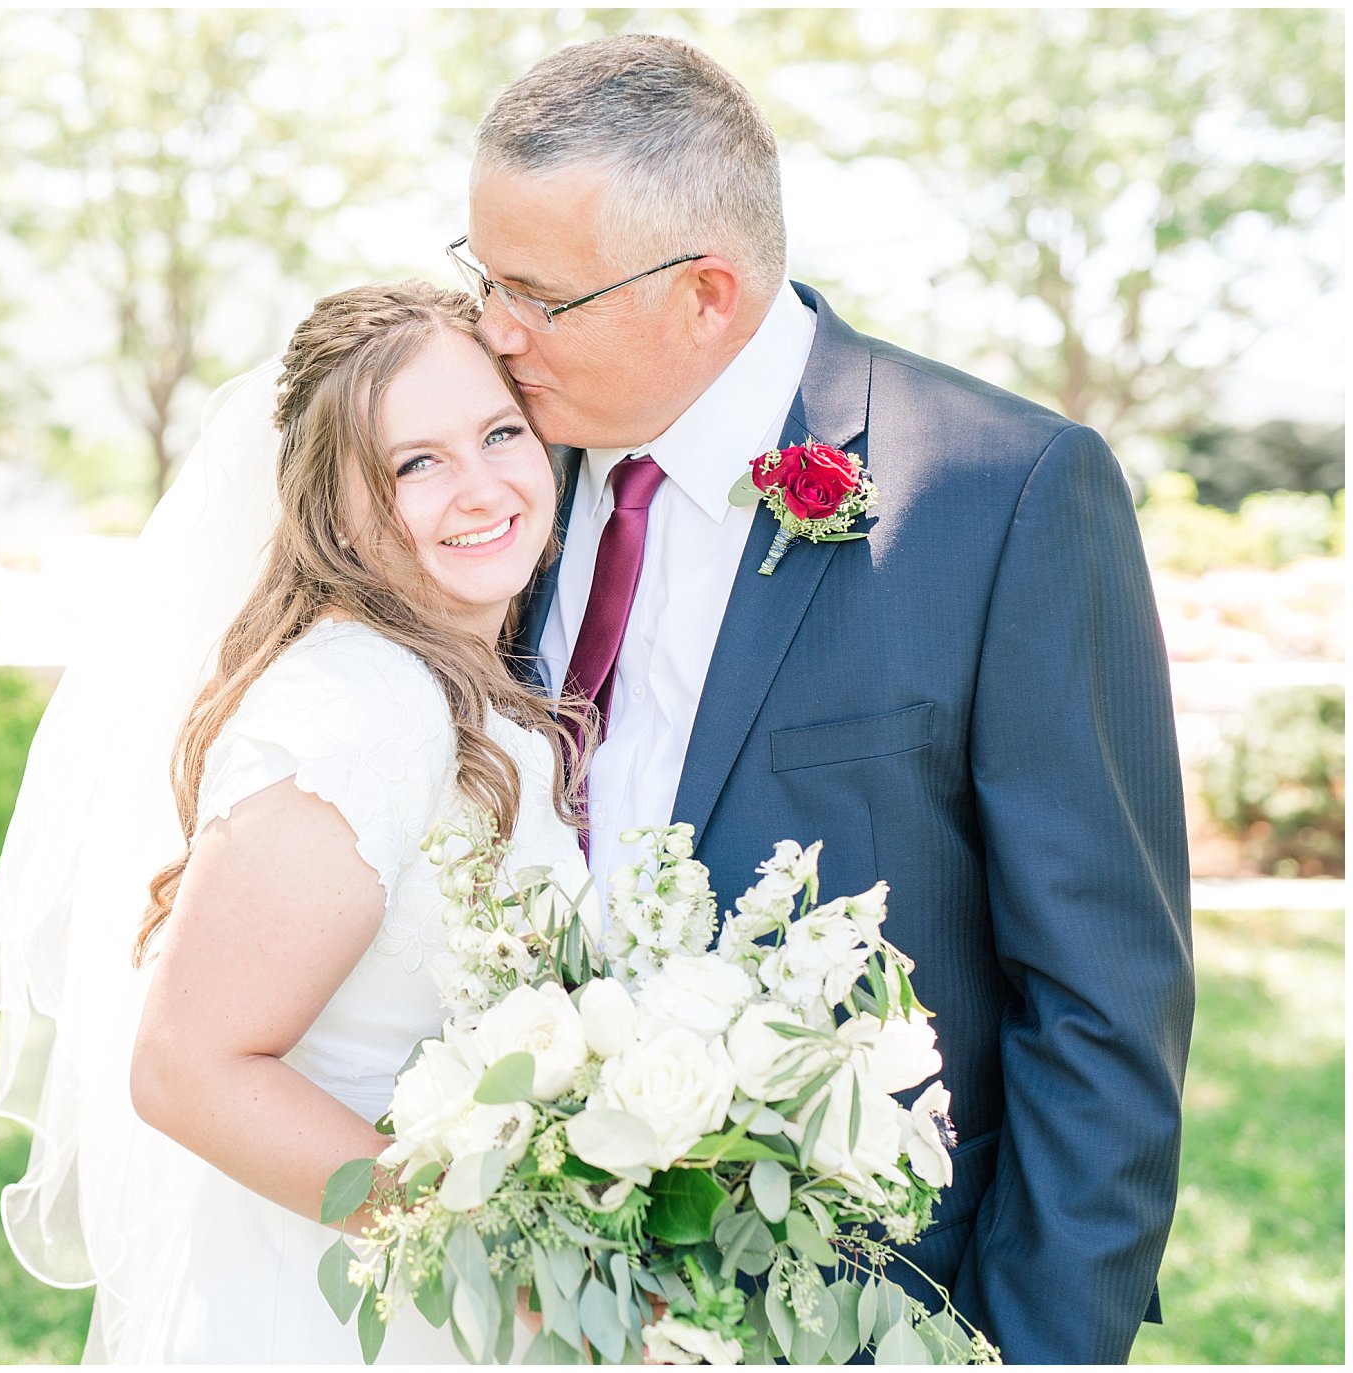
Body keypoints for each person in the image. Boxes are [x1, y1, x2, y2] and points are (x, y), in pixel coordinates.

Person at [456, 34, 1195, 1364]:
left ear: (707, 295)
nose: (491, 332)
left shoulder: (1001, 491)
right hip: (530, 1301)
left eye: (534, 294)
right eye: (481, 275)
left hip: (871, 1310)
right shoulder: (499, 482)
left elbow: (1100, 996)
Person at [0, 281, 584, 1362]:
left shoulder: (450, 681)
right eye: (414, 463)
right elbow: (186, 1069)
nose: (480, 486)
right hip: (355, 1313)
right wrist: (493, 1251)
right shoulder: (358, 710)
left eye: (498, 433)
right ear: (333, 507)